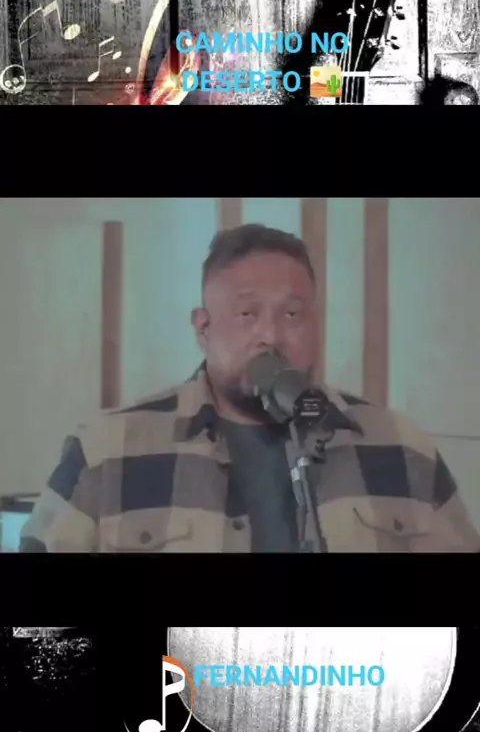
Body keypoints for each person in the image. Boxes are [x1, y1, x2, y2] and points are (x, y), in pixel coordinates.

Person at [20, 224, 480, 553]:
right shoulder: (106, 452)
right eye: (247, 314)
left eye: (292, 314)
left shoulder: (401, 447)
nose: (271, 335)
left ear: (316, 325)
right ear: (203, 328)